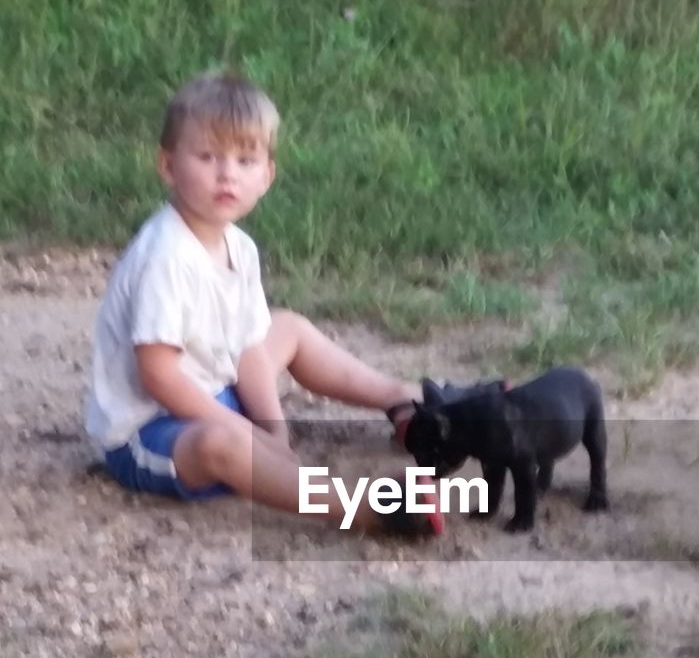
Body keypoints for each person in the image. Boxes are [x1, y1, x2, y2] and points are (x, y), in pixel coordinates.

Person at [84, 71, 442, 537]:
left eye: (245, 159)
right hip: (150, 429)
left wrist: (273, 430)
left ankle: (401, 396)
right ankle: (364, 509)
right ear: (168, 166)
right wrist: (248, 432)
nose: (227, 172)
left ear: (267, 176)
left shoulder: (239, 246)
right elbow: (159, 376)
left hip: (214, 390)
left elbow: (249, 346)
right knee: (225, 442)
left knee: (285, 328)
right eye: (207, 156)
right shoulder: (165, 257)